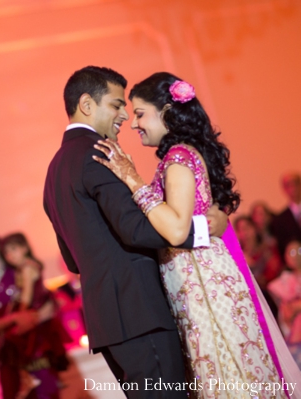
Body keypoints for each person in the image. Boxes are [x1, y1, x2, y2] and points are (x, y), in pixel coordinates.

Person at [93, 72, 301, 396]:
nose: (134, 124)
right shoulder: (177, 157)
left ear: (165, 113)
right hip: (197, 281)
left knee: (227, 375)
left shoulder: (178, 158)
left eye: (140, 113)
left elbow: (176, 229)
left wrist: (131, 179)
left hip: (204, 285)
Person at [43, 66, 227, 398]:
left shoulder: (55, 169)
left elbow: (72, 259)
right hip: (140, 314)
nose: (125, 117)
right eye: (116, 105)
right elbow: (136, 230)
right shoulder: (96, 154)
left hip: (109, 323)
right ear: (87, 104)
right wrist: (203, 228)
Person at [0, 226, 55, 399]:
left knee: (47, 392)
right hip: (6, 352)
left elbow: (47, 304)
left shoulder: (20, 269)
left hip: (35, 345)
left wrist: (35, 317)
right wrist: (14, 318)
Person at [0, 232, 70, 399]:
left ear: (25, 248)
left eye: (14, 249)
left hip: (37, 319)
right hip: (37, 317)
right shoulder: (25, 267)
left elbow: (27, 296)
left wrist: (21, 315)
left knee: (23, 348)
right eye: (7, 253)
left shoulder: (27, 267)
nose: (10, 255)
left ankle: (37, 382)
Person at [269, 240, 301, 367]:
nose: (296, 255)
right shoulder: (285, 281)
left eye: (299, 251)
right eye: (291, 252)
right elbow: (287, 312)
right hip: (293, 336)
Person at [271, 172, 301, 258]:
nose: (293, 187)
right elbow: (282, 249)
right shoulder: (279, 220)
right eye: (288, 185)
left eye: (295, 183)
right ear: (284, 189)